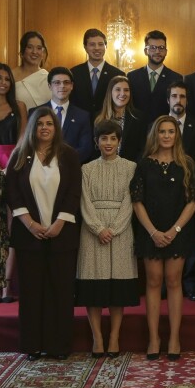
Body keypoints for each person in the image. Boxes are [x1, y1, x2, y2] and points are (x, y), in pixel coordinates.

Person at [5, 107, 82, 360]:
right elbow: (12, 193)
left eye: (49, 124)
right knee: (31, 292)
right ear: (33, 128)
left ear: (56, 127)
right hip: (29, 236)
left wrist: (60, 223)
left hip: (62, 233)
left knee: (60, 291)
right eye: (40, 124)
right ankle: (32, 346)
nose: (45, 128)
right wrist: (29, 223)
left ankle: (59, 346)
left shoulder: (68, 155)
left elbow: (73, 192)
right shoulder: (20, 155)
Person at [131, 115, 195, 360]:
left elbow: (193, 201)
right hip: (151, 231)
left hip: (177, 231)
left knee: (173, 281)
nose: (167, 136)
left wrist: (174, 231)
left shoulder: (187, 163)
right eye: (162, 132)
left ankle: (174, 338)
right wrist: (153, 232)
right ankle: (153, 338)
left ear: (177, 135)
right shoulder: (144, 164)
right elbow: (137, 201)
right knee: (153, 281)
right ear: (155, 135)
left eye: (171, 131)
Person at [76, 119, 139, 358]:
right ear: (96, 142)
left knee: (117, 288)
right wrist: (98, 228)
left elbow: (130, 201)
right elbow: (84, 201)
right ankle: (97, 337)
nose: (109, 143)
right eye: (104, 138)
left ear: (120, 142)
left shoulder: (131, 167)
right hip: (92, 233)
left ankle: (114, 336)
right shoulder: (86, 169)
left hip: (121, 232)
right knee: (93, 286)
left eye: (113, 138)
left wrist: (114, 228)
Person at [166, 81, 195, 302]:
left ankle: (189, 284)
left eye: (182, 96)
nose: (178, 101)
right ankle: (165, 284)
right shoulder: (158, 125)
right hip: (163, 193)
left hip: (189, 192)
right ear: (168, 100)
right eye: (174, 96)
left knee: (190, 240)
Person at [0, 64, 27, 303]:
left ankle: (7, 287)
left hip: (12, 167)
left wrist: (9, 166)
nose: (4, 83)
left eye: (7, 79)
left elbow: (23, 140)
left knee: (11, 228)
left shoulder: (19, 107)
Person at [31, 67, 92, 163]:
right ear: (50, 86)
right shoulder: (35, 113)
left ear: (72, 86)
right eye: (57, 83)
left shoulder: (82, 116)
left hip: (70, 170)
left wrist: (63, 162)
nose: (62, 86)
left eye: (66, 82)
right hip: (40, 167)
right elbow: (30, 143)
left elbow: (85, 149)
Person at [70, 28, 125, 124]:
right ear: (85, 47)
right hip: (79, 125)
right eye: (92, 44)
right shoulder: (74, 73)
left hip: (108, 126)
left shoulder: (117, 74)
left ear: (106, 46)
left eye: (100, 44)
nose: (97, 48)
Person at [127, 30, 182, 124]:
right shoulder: (132, 76)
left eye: (161, 48)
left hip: (164, 130)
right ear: (145, 51)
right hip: (137, 129)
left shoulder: (176, 78)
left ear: (166, 52)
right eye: (153, 48)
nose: (157, 51)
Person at [95, 76, 147, 162]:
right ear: (110, 92)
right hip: (102, 168)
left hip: (131, 169)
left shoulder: (139, 118)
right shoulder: (98, 117)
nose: (122, 94)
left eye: (126, 90)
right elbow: (95, 148)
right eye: (118, 89)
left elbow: (143, 149)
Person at [13, 31, 50, 111]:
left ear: (43, 53)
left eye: (39, 48)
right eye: (30, 47)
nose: (34, 52)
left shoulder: (48, 77)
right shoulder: (11, 75)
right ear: (22, 51)